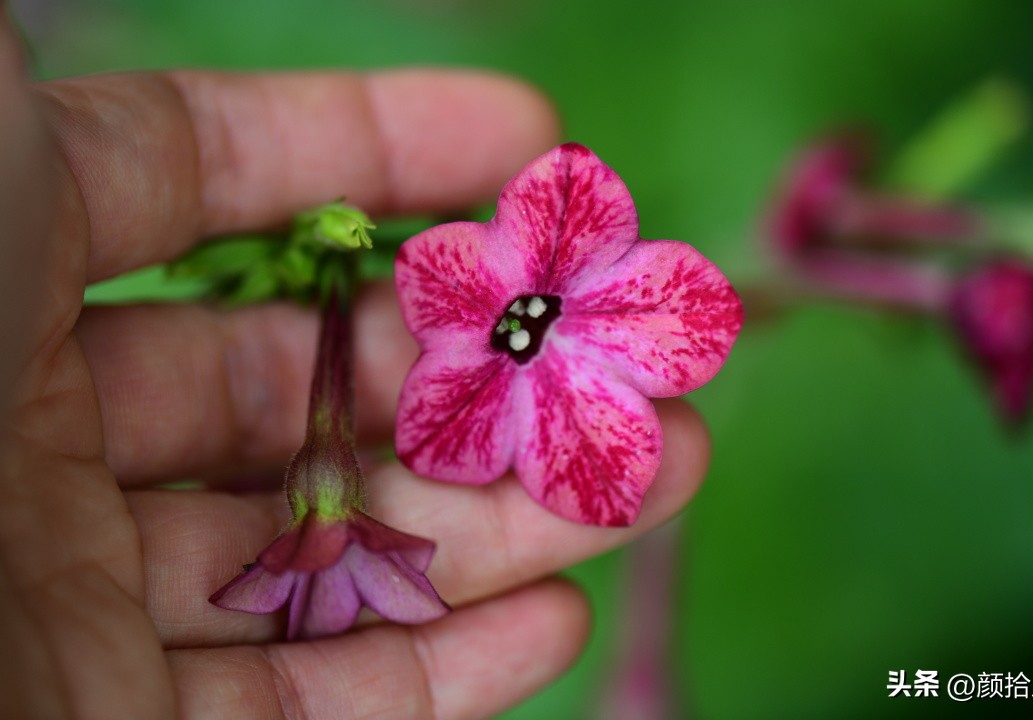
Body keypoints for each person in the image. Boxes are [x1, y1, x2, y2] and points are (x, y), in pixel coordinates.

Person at [0, 11, 711, 718]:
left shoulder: (495, 256)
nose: (530, 321)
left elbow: (595, 220)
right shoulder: (442, 281)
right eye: (524, 317)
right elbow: (439, 354)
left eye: (530, 318)